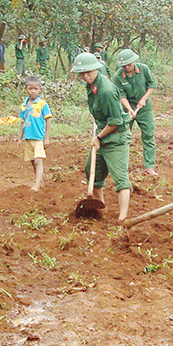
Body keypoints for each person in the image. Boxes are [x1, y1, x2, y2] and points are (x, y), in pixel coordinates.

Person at [71, 52, 131, 220]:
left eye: (88, 72)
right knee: (92, 172)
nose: (85, 76)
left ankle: (123, 219)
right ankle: (100, 209)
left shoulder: (106, 91)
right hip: (103, 135)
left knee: (120, 179)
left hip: (116, 138)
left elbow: (115, 121)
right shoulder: (91, 86)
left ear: (96, 69)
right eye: (82, 73)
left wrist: (98, 138)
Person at [115, 48, 158, 176]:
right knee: (124, 136)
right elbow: (121, 96)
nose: (127, 67)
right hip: (127, 107)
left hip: (144, 107)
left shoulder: (143, 69)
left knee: (148, 135)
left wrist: (144, 99)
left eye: (129, 64)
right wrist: (129, 110)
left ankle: (149, 166)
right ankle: (122, 166)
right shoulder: (118, 76)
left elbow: (152, 85)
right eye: (124, 65)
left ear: (133, 62)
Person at [18, 76, 52, 192]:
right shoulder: (24, 106)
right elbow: (22, 123)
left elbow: (48, 120)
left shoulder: (42, 104)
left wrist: (46, 138)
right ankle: (40, 182)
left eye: (35, 88)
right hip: (28, 137)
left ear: (39, 90)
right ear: (26, 89)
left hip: (39, 137)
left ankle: (36, 185)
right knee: (33, 161)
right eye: (30, 88)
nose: (33, 91)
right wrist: (19, 138)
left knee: (38, 161)